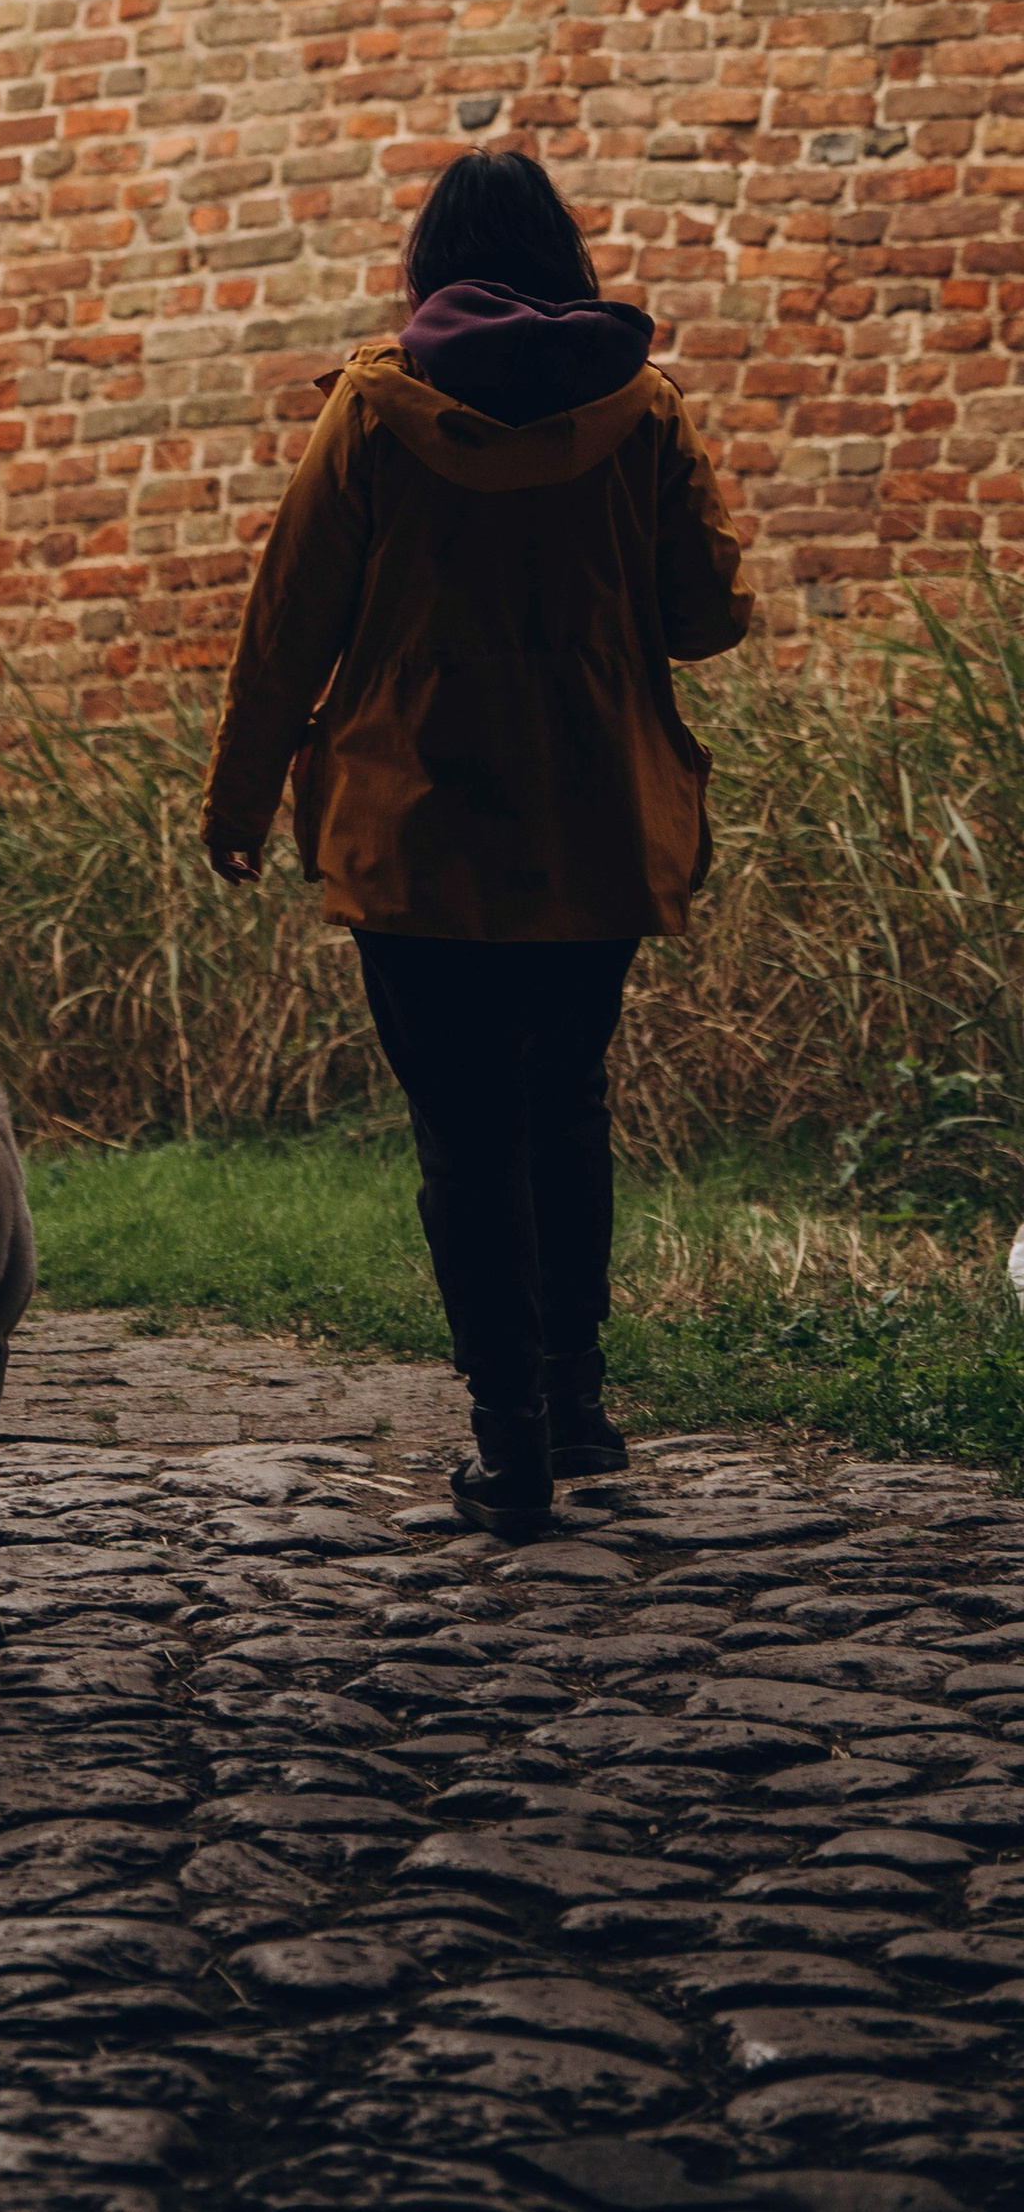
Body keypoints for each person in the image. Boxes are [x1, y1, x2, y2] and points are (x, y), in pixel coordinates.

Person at [200, 152, 752, 1540]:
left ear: (427, 266)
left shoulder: (377, 411)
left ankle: (505, 1440)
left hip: (414, 827)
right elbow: (707, 615)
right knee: (564, 1101)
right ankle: (576, 1402)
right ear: (565, 258)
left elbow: (288, 626)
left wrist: (240, 801)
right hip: (592, 824)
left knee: (463, 1132)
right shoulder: (643, 412)